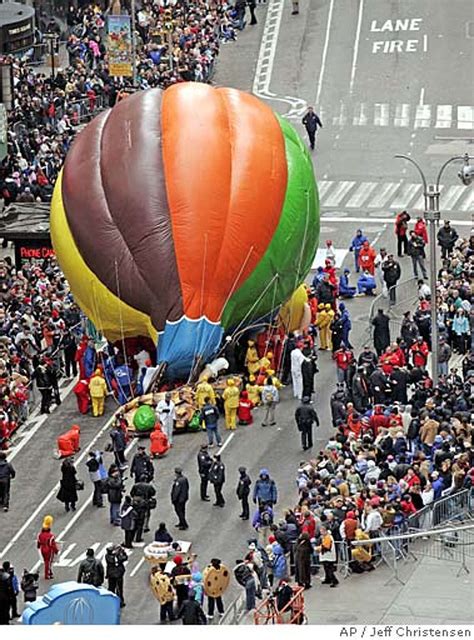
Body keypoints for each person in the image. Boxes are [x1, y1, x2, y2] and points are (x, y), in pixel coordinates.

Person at [131, 474, 156, 539]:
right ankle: (145, 526)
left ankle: (135, 526)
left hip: (136, 502)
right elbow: (153, 493)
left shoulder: (136, 485)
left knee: (135, 515)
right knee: (146, 514)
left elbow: (132, 493)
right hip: (145, 501)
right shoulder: (149, 486)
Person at [37, 515, 59, 580]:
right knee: (48, 562)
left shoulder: (40, 535)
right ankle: (47, 574)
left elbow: (38, 543)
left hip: (42, 549)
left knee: (46, 561)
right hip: (48, 550)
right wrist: (56, 550)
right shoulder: (50, 536)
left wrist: (38, 547)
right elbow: (52, 544)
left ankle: (50, 573)